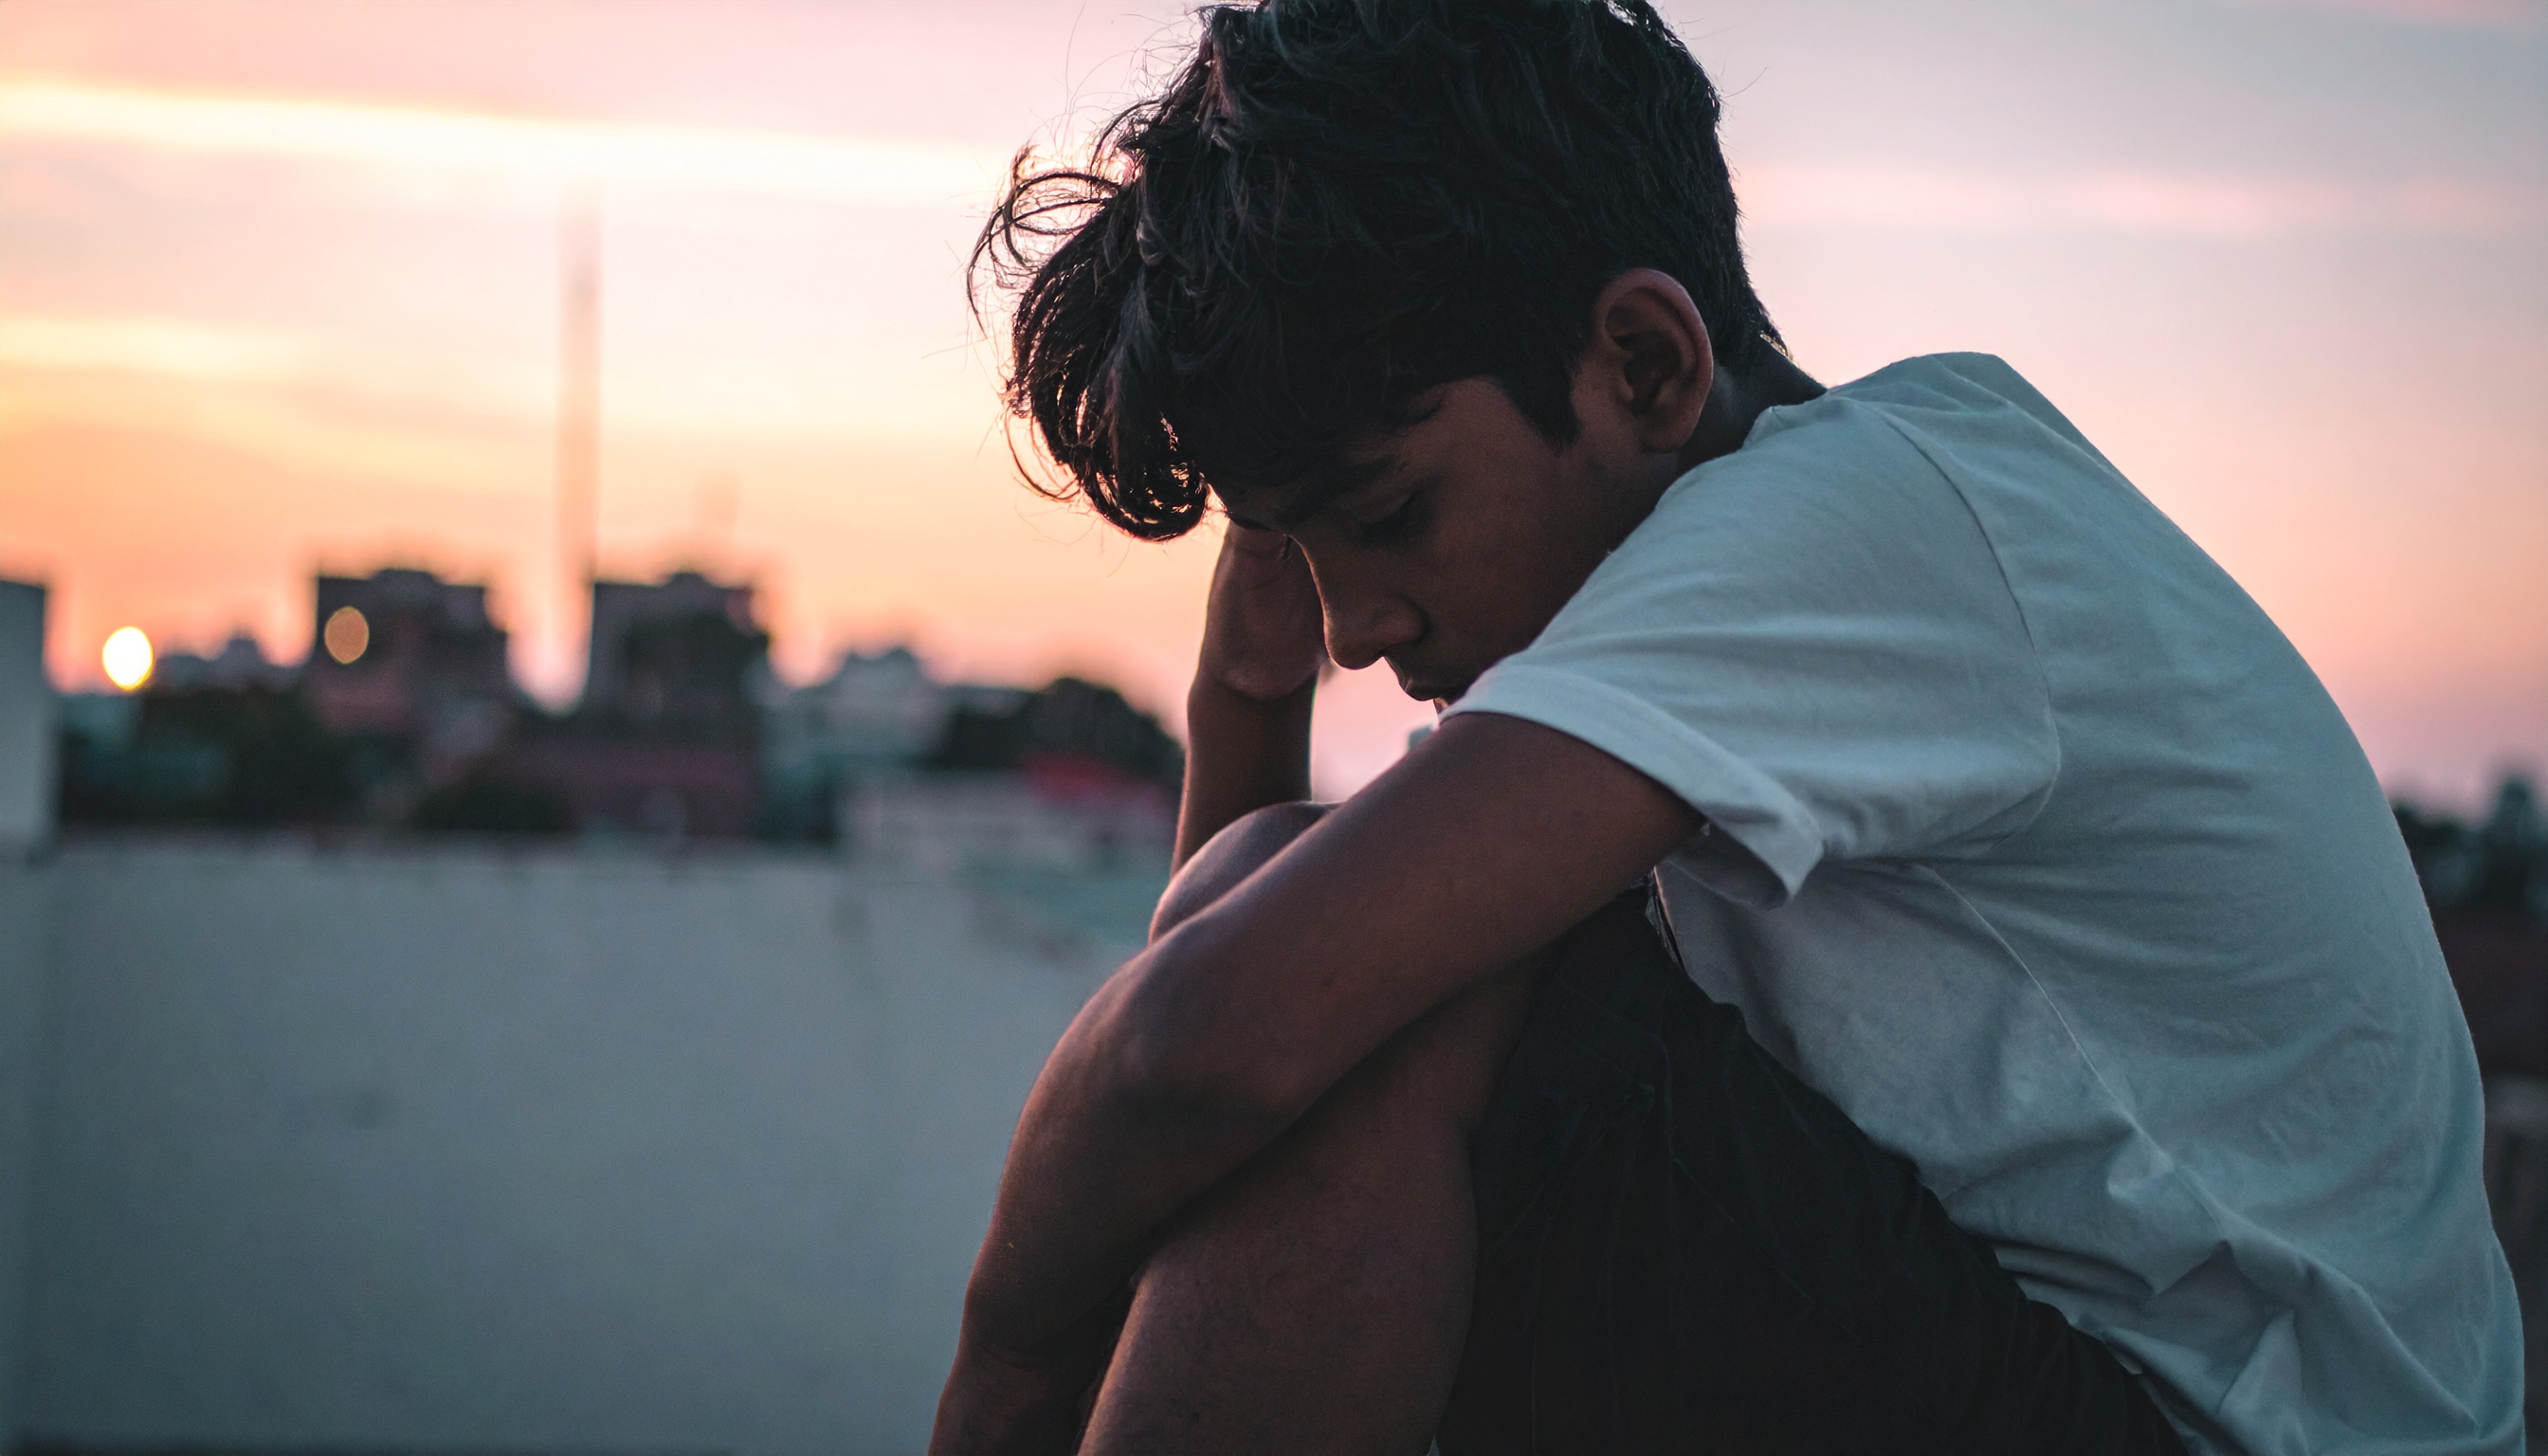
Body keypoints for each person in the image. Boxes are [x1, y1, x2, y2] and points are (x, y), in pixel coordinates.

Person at [927, 2, 2524, 1452]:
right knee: (1359, 947)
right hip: (2068, 1379)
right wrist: (1249, 706)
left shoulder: (1859, 518)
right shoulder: (1680, 644)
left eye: (1389, 516)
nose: (1361, 629)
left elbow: (1213, 1045)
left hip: (2215, 1430)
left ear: (1642, 362)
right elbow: (1244, 1049)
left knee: (1383, 984)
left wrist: (1004, 1369)